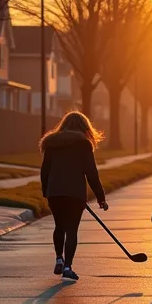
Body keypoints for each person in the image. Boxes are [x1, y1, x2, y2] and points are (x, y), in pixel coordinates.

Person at [40, 111, 108, 281]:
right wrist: (101, 197)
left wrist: (46, 192)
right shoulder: (84, 145)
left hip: (55, 192)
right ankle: (68, 267)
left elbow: (45, 171)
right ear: (85, 127)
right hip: (75, 193)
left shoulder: (51, 143)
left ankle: (58, 259)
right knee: (71, 229)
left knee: (59, 226)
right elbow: (91, 173)